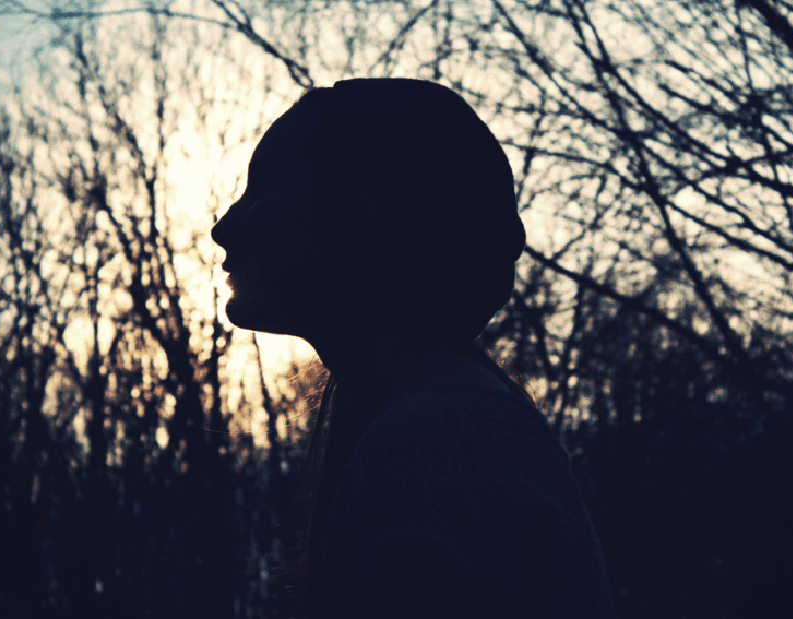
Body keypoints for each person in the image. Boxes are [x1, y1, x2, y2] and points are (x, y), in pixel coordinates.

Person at [210, 78, 617, 619]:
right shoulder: (454, 424)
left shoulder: (431, 448)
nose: (224, 227)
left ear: (355, 220)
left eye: (260, 189)